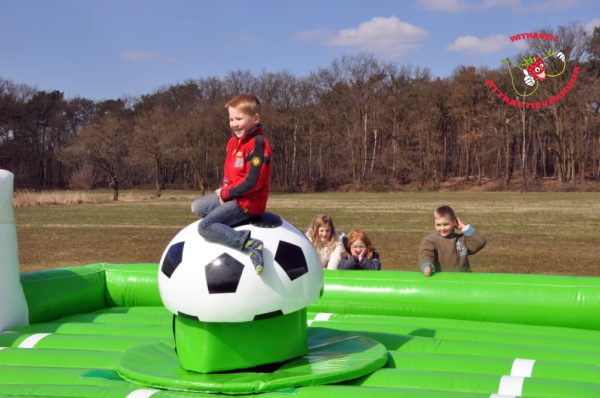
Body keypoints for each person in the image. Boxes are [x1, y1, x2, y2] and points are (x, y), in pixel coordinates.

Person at [191, 94, 272, 275]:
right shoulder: (233, 143)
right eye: (231, 119)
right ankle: (224, 226)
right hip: (232, 196)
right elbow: (232, 173)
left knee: (204, 227)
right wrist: (224, 188)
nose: (234, 123)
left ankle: (249, 244)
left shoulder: (258, 144)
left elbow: (253, 182)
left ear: (255, 119)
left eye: (239, 119)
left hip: (247, 203)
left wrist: (225, 194)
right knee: (197, 207)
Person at [419, 205, 486, 277]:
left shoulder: (462, 239)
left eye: (446, 224)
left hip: (464, 281)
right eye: (438, 225)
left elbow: (480, 241)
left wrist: (464, 227)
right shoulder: (430, 240)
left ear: (454, 222)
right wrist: (427, 266)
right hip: (443, 282)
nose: (442, 228)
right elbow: (426, 255)